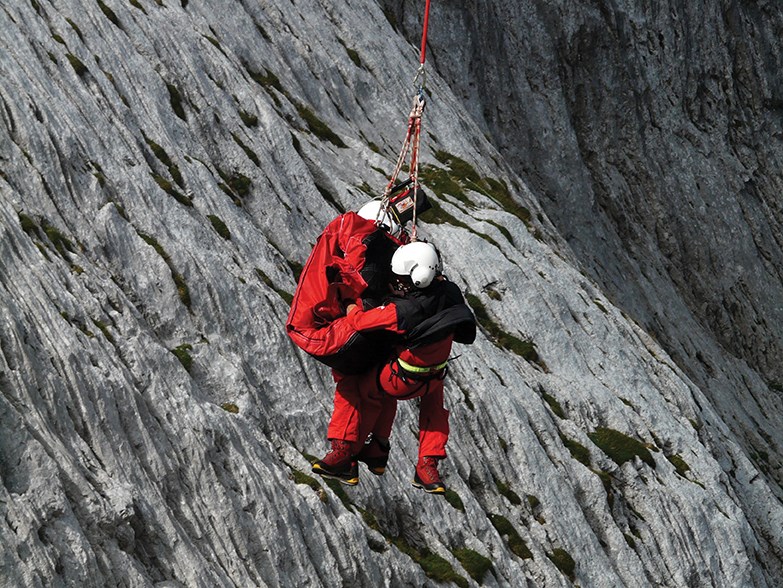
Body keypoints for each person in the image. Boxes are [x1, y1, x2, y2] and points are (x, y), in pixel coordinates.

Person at [312, 241, 476, 493]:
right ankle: (425, 466)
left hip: (400, 380)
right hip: (434, 376)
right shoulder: (450, 291)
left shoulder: (402, 312)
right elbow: (428, 292)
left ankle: (345, 454)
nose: (398, 283)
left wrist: (349, 302)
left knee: (355, 386)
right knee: (433, 412)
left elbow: (359, 321)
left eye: (402, 279)